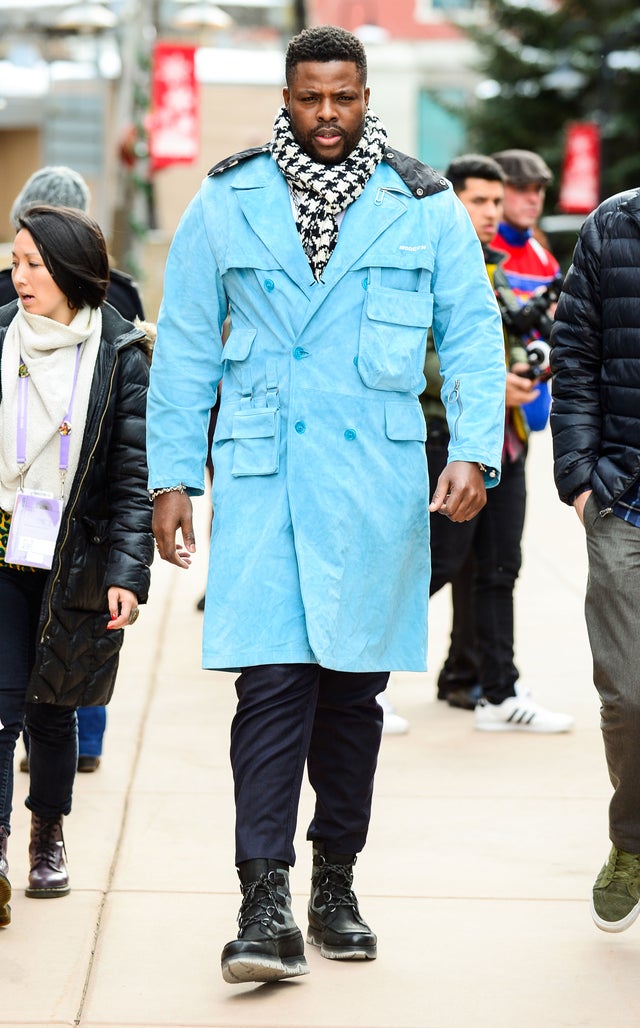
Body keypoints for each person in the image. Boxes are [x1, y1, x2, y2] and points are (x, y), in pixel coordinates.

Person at [147, 25, 506, 985]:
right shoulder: (229, 199)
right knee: (269, 689)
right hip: (263, 479)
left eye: (343, 97)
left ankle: (335, 882)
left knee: (352, 695)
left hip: (373, 486)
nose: (327, 117)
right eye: (310, 98)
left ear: (364, 92)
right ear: (288, 94)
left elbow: (472, 331)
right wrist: (170, 476)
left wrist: (475, 448)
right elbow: (182, 343)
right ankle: (261, 900)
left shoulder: (420, 205)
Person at [0, 205, 153, 928]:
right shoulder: (0, 332)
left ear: (67, 269)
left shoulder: (122, 354)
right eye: (16, 262)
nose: (19, 276)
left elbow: (133, 479)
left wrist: (129, 571)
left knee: (51, 709)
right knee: (1, 707)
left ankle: (46, 832)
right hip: (2, 544)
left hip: (76, 557)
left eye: (33, 263)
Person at [550, 185, 640, 932]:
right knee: (631, 694)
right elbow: (575, 350)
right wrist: (579, 477)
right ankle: (632, 842)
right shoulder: (615, 223)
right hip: (626, 499)